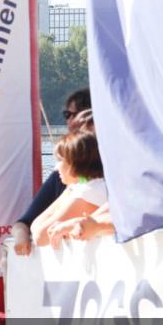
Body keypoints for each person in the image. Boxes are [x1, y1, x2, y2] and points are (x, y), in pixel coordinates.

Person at [12, 88, 93, 255]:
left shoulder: (104, 180)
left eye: (72, 115)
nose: (70, 123)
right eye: (67, 115)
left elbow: (40, 234)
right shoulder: (61, 177)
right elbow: (26, 224)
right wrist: (21, 237)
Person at [30, 131, 106, 247]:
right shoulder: (92, 188)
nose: (56, 167)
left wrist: (68, 192)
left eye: (60, 160)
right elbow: (34, 227)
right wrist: (69, 191)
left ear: (75, 162)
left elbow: (40, 237)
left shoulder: (88, 192)